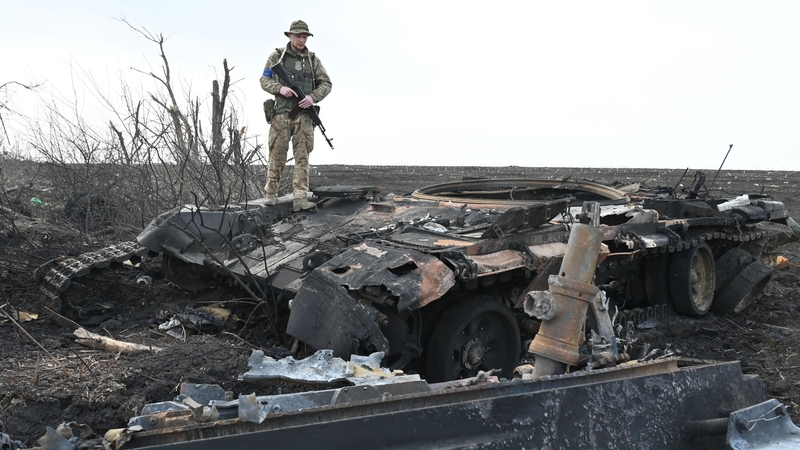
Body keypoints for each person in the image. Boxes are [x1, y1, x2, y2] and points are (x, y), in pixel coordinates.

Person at [260, 19, 332, 212]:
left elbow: (326, 84)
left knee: (302, 157)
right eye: (298, 36)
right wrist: (280, 88)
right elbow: (264, 80)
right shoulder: (277, 56)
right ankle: (270, 194)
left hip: (304, 116)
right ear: (290, 36)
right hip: (281, 114)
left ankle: (300, 197)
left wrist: (312, 97)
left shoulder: (312, 60)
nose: (302, 40)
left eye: (304, 36)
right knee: (277, 155)